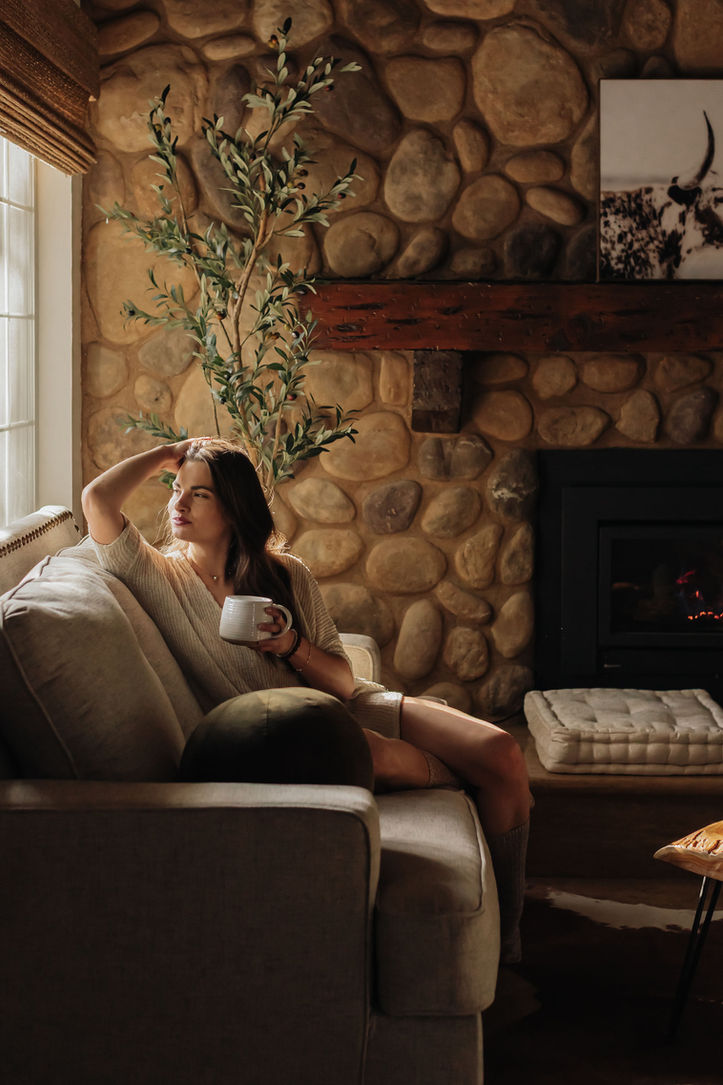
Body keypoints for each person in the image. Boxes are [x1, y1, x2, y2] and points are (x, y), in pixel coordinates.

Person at [82, 437, 532, 963]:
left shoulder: (286, 574)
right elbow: (96, 500)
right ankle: (463, 789)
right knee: (383, 752)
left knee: (502, 751)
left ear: (233, 507)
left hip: (350, 705)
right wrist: (169, 453)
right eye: (176, 491)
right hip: (290, 732)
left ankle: (508, 938)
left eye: (198, 495)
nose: (177, 504)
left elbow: (343, 683)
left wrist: (289, 645)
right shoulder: (158, 576)